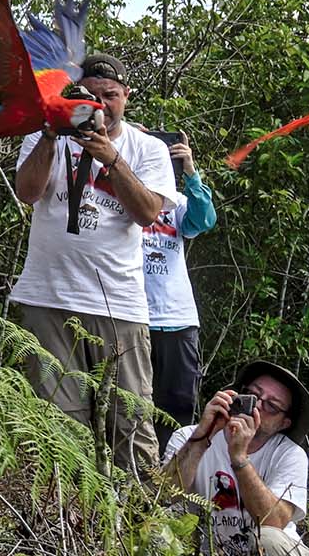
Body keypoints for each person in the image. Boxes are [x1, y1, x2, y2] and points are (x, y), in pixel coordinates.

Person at [11, 52, 181, 469]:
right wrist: (53, 132)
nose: (101, 105)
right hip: (48, 299)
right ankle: (67, 526)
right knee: (57, 427)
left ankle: (139, 525)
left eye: (110, 96)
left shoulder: (149, 149)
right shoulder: (44, 135)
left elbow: (147, 213)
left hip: (117, 304)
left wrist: (112, 158)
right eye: (90, 96)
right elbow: (27, 192)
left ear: (126, 96)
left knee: (131, 427)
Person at [160, 361, 309, 556]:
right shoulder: (187, 437)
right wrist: (203, 436)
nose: (258, 406)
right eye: (253, 395)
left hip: (274, 552)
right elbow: (162, 497)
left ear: (284, 423)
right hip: (208, 550)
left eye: (271, 406)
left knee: (268, 538)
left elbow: (274, 522)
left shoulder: (289, 454)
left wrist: (240, 457)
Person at [136, 128, 217, 434]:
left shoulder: (179, 202)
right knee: (130, 403)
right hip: (131, 315)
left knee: (176, 407)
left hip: (176, 319)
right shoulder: (121, 197)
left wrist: (191, 173)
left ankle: (170, 474)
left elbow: (204, 220)